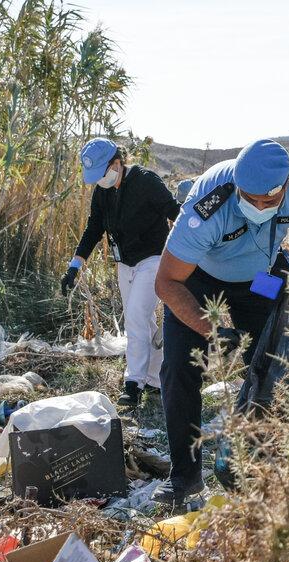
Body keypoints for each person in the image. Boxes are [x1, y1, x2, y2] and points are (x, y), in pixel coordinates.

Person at [151, 139, 289, 507]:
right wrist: (211, 330)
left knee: (275, 366)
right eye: (250, 199)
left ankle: (264, 464)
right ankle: (184, 475)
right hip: (198, 278)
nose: (258, 207)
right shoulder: (209, 204)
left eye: (268, 201)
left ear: (285, 185)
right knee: (179, 368)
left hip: (260, 278)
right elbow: (166, 282)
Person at [63, 138, 180, 408]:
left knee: (135, 316)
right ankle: (155, 378)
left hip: (154, 259)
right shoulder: (103, 192)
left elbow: (176, 213)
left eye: (102, 173)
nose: (99, 180)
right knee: (143, 321)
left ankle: (133, 384)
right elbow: (94, 228)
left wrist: (188, 254)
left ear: (117, 163)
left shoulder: (147, 181)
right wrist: (75, 265)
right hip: (124, 263)